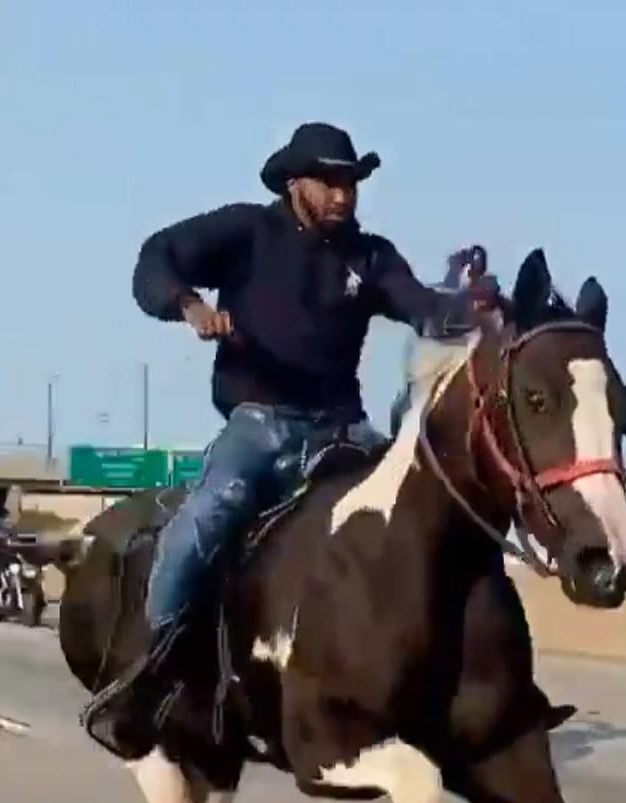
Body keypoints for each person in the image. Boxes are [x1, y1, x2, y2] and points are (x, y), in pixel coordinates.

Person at [81, 121, 500, 758]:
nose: (343, 195)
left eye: (352, 183)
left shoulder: (371, 257)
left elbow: (421, 306)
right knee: (205, 519)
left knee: (416, 514)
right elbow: (153, 259)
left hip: (341, 429)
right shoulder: (247, 232)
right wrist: (188, 305)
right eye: (330, 182)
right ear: (295, 183)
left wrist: (470, 305)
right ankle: (153, 673)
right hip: (260, 422)